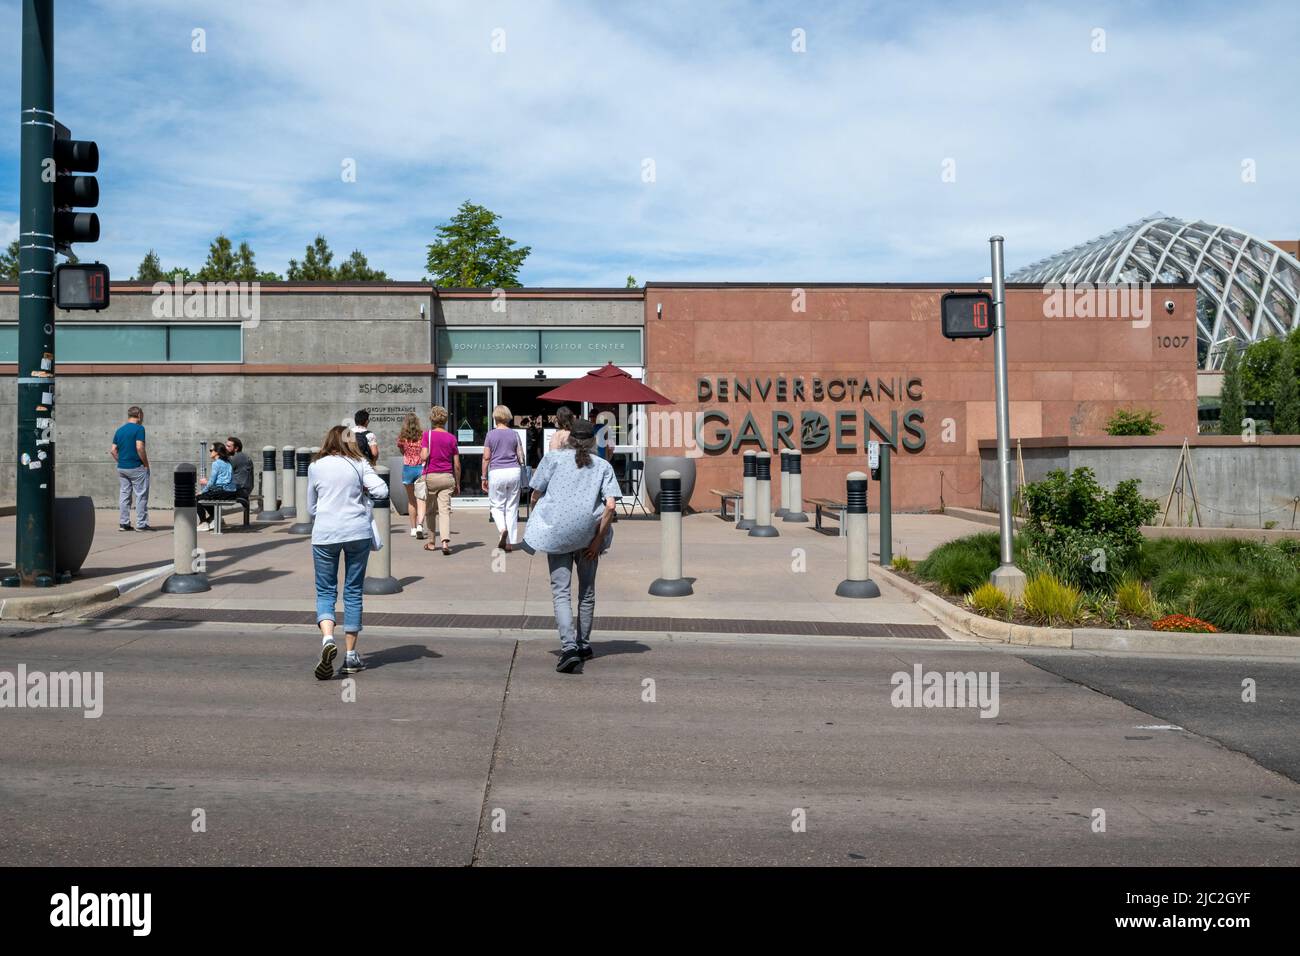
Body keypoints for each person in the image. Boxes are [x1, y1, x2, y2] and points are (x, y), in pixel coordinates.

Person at [524, 418, 620, 674]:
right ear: (592, 442)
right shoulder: (602, 466)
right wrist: (598, 540)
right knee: (587, 592)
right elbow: (610, 506)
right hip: (589, 537)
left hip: (557, 535)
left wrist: (538, 516)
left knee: (561, 592)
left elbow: (535, 493)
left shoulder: (553, 459)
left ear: (568, 439)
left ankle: (568, 649)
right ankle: (584, 644)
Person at [307, 424, 388, 680]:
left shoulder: (315, 466)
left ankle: (328, 639)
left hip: (325, 534)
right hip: (357, 532)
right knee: (352, 591)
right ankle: (351, 655)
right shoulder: (359, 464)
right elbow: (382, 490)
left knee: (325, 590)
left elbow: (310, 507)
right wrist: (362, 493)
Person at [481, 404, 524, 552]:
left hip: (497, 472)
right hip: (514, 471)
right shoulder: (514, 434)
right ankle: (510, 542)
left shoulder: (491, 435)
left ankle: (502, 529)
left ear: (495, 417)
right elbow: (521, 456)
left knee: (496, 506)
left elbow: (486, 457)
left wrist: (483, 477)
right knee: (512, 507)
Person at [420, 405, 460, 555]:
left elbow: (424, 456)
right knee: (445, 511)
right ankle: (445, 542)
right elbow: (456, 464)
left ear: (432, 419)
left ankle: (431, 542)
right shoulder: (451, 438)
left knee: (430, 511)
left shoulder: (427, 435)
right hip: (447, 477)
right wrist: (458, 483)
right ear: (445, 420)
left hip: (431, 476)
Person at [111, 406, 151, 531]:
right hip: (136, 467)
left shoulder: (120, 430)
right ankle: (141, 524)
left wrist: (121, 461)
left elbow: (113, 450)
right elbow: (139, 447)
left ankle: (124, 523)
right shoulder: (139, 429)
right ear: (139, 415)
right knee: (141, 495)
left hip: (122, 468)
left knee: (124, 496)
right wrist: (146, 464)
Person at [396, 412, 427, 539]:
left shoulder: (402, 437)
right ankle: (420, 525)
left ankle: (413, 528)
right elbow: (426, 451)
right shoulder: (422, 436)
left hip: (408, 468)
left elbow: (402, 450)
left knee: (411, 500)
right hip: (420, 468)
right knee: (421, 499)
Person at [196, 442, 238, 531]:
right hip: (231, 491)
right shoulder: (227, 463)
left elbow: (212, 482)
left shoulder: (216, 463)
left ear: (217, 452)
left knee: (197, 498)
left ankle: (204, 522)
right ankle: (215, 518)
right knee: (206, 497)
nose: (210, 452)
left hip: (223, 491)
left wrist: (202, 491)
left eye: (211, 450)